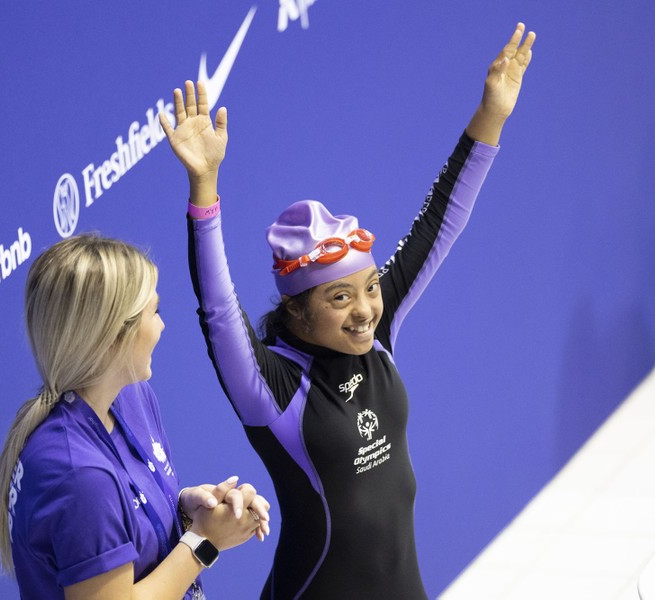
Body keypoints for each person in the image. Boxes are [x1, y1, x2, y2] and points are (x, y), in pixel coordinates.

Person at [160, 23, 535, 599]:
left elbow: (440, 219)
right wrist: (204, 186)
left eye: (371, 287)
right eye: (339, 298)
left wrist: (491, 115)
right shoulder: (273, 387)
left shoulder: (376, 334)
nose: (365, 311)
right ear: (297, 310)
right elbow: (217, 309)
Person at [0, 234, 271, 600]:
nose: (162, 326)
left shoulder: (131, 396)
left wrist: (187, 511)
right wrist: (205, 539)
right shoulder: (79, 475)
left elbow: (127, 526)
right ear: (112, 336)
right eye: (154, 312)